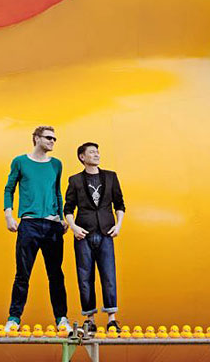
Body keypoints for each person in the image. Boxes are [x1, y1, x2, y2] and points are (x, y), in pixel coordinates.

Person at [3, 125, 70, 332]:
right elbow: (9, 188)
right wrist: (8, 215)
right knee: (22, 273)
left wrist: (61, 218)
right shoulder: (20, 162)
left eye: (54, 139)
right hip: (29, 224)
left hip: (52, 225)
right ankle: (14, 318)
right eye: (49, 138)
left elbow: (57, 192)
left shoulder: (56, 164)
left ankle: (61, 318)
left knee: (56, 274)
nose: (52, 142)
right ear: (36, 138)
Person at [64, 142, 125, 333]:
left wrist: (118, 225)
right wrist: (73, 227)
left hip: (106, 232)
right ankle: (89, 319)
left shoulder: (110, 176)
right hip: (84, 235)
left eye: (98, 151)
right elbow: (68, 208)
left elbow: (120, 204)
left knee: (109, 275)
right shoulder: (74, 180)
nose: (96, 154)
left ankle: (112, 319)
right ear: (82, 157)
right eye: (92, 152)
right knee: (84, 277)